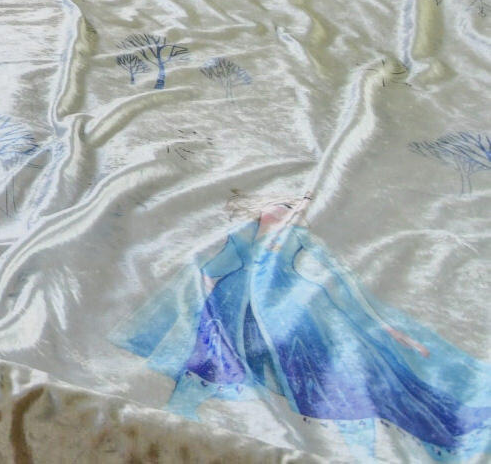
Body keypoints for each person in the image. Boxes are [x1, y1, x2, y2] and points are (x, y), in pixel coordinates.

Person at [120, 194, 491, 456]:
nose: (283, 212)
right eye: (278, 206)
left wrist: (384, 326)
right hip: (231, 308)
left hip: (282, 309)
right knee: (212, 358)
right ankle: (181, 407)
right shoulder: (241, 237)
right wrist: (196, 301)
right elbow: (211, 272)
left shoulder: (299, 240)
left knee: (328, 370)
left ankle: (361, 443)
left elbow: (341, 280)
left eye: (288, 209)